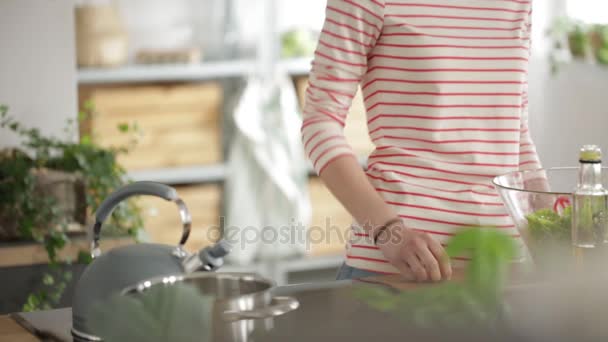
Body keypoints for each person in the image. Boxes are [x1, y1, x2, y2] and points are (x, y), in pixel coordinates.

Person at [301, 0, 539, 281]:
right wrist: (390, 232)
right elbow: (320, 121)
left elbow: (515, 134)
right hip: (401, 270)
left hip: (502, 267)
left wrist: (552, 228)